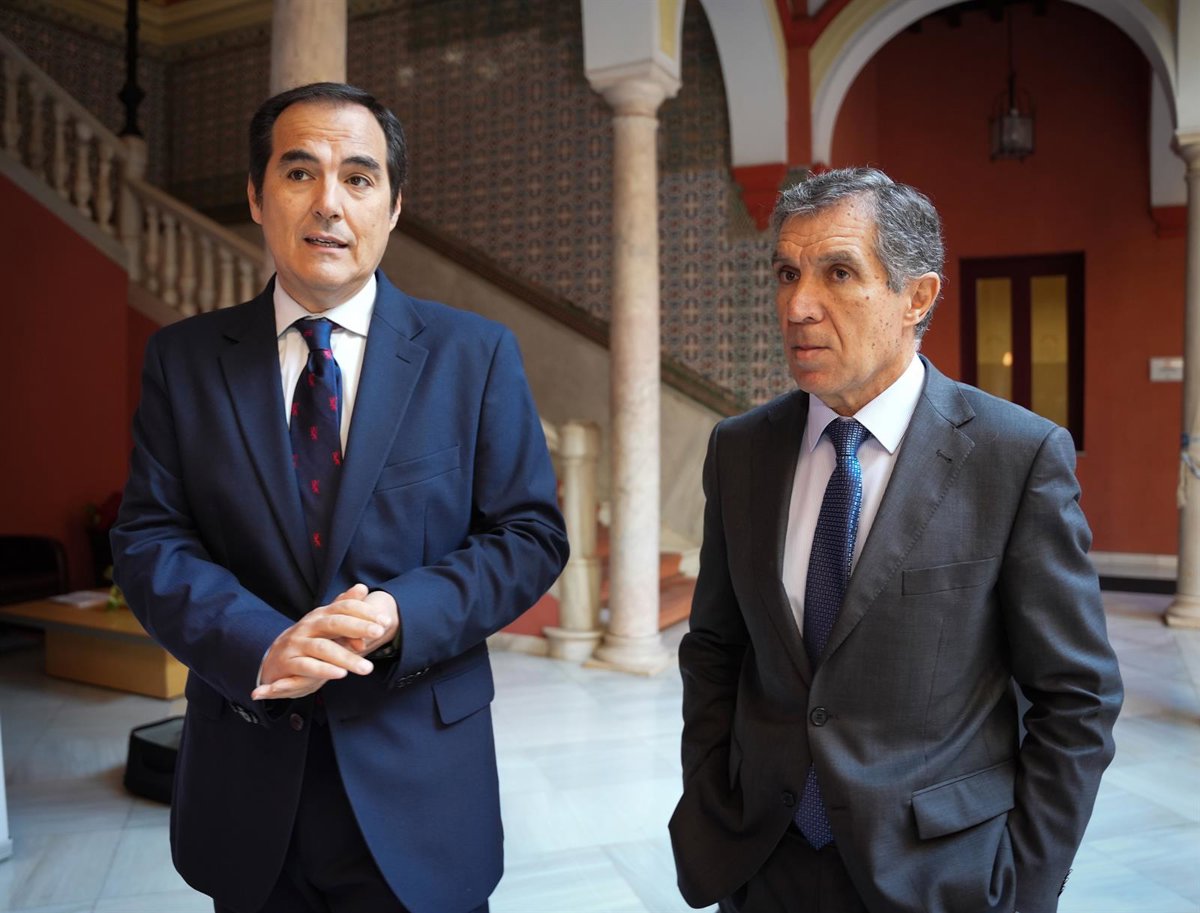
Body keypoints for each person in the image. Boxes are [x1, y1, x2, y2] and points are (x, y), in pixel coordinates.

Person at [112, 82, 568, 913]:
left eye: (359, 178)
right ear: (258, 197)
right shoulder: (184, 362)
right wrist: (260, 643)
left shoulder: (473, 355)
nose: (329, 202)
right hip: (249, 779)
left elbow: (530, 534)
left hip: (421, 783)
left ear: (393, 207)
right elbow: (150, 540)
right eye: (299, 173)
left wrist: (398, 613)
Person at [669, 167, 1122, 913]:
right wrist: (714, 793)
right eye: (786, 273)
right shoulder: (741, 449)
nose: (798, 305)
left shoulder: (1014, 456)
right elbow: (716, 648)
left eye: (839, 273)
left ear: (917, 297)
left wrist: (1021, 886)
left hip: (936, 874)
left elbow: (1076, 695)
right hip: (762, 861)